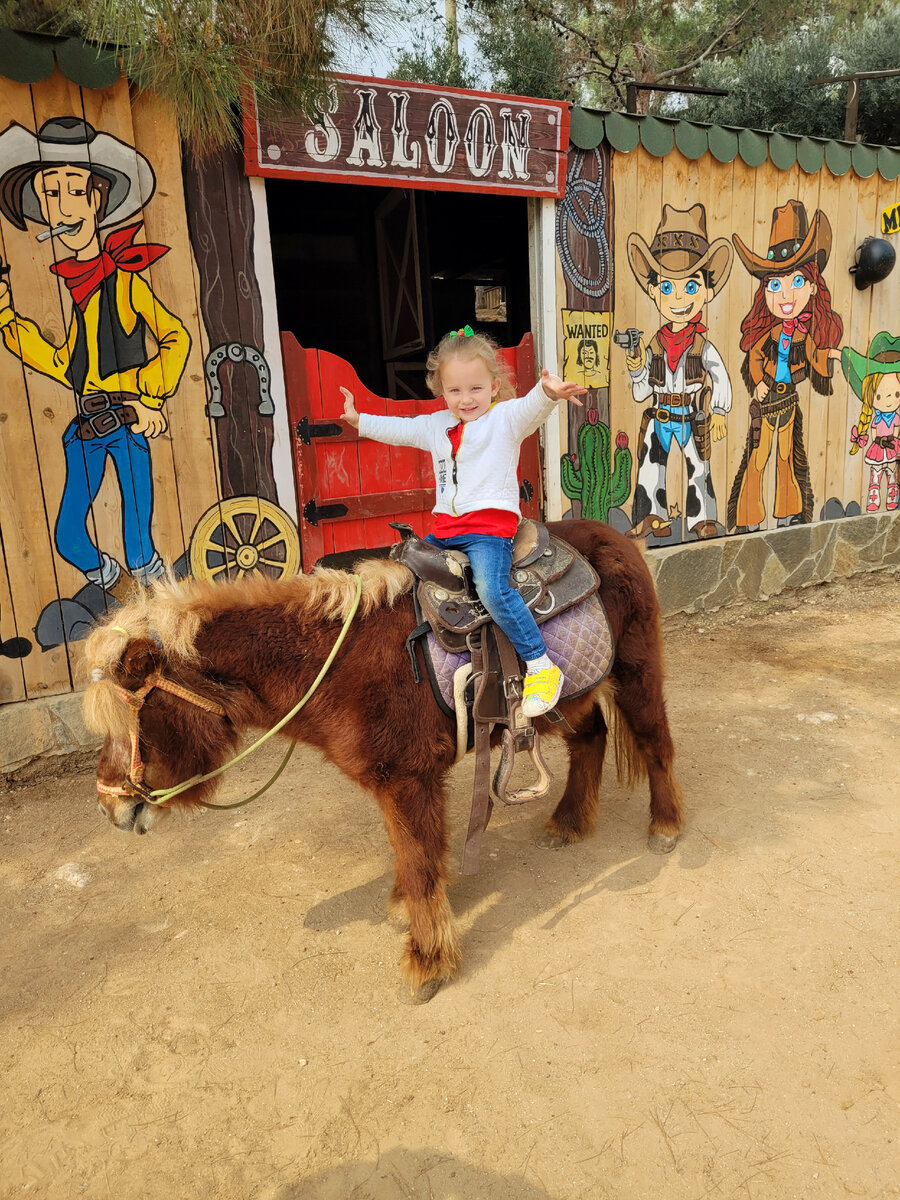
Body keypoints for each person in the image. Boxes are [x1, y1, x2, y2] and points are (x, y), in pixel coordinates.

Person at [341, 326, 585, 717]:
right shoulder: (436, 425)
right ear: (441, 390)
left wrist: (547, 394)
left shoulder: (504, 419)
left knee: (492, 589)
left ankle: (541, 665)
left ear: (493, 384)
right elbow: (400, 429)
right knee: (400, 570)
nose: (466, 399)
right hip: (447, 532)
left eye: (475, 388)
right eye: (455, 390)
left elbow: (529, 408)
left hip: (489, 533)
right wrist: (359, 420)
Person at [0, 116, 191, 598]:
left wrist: (148, 396)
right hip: (84, 430)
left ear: (95, 200)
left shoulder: (126, 283)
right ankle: (118, 590)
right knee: (68, 537)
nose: (59, 206)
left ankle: (156, 602)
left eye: (70, 190)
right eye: (49, 193)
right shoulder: (75, 289)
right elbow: (68, 364)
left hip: (126, 426)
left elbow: (177, 338)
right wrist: (7, 320)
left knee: (138, 544)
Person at [728, 200, 843, 530]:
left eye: (795, 283)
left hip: (789, 402)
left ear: (811, 286)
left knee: (787, 457)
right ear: (764, 291)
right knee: (758, 456)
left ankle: (788, 512)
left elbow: (815, 359)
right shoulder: (771, 332)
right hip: (766, 404)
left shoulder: (804, 335)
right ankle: (749, 517)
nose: (785, 295)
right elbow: (754, 356)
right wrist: (758, 379)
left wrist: (829, 357)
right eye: (775, 285)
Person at [623, 203, 734, 541]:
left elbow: (720, 377)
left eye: (690, 286)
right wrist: (636, 365)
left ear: (707, 290)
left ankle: (702, 519)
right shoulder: (653, 345)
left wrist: (718, 413)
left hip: (691, 414)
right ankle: (650, 517)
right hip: (659, 414)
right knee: (649, 470)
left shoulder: (702, 346)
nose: (678, 297)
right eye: (667, 287)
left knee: (699, 470)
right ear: (654, 290)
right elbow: (641, 392)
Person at [843, 331, 900, 512]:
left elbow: (896, 429)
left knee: (892, 471)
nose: (890, 400)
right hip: (879, 445)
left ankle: (892, 492)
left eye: (896, 394)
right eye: (881, 395)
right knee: (876, 472)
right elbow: (874, 431)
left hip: (892, 445)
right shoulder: (876, 418)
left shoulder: (895, 417)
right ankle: (873, 494)